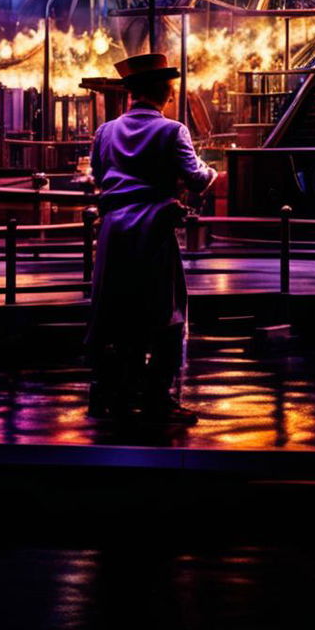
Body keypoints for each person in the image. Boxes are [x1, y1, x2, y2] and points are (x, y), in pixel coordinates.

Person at [85, 50, 217, 425]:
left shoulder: (104, 132)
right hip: (154, 229)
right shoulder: (173, 131)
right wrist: (212, 174)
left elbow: (99, 174)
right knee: (164, 312)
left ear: (130, 93)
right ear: (165, 93)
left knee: (115, 311)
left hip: (113, 232)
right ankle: (159, 397)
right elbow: (195, 177)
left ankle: (116, 392)